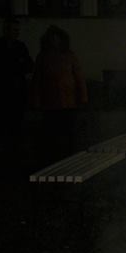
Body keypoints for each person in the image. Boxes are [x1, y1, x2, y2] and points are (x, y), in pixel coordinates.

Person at [31, 25, 88, 165]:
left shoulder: (69, 56)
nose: (55, 42)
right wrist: (36, 100)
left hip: (68, 101)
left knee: (68, 133)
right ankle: (53, 159)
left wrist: (83, 97)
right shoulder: (43, 57)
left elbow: (79, 78)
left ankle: (68, 159)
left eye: (57, 39)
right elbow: (37, 80)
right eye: (52, 39)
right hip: (50, 102)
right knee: (52, 133)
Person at [0, 16, 34, 174]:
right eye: (13, 30)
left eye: (16, 30)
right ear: (5, 30)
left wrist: (15, 65)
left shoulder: (17, 46)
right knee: (3, 125)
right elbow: (3, 66)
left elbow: (28, 65)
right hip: (3, 93)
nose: (15, 33)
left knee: (15, 125)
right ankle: (5, 158)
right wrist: (18, 64)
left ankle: (11, 156)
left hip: (14, 92)